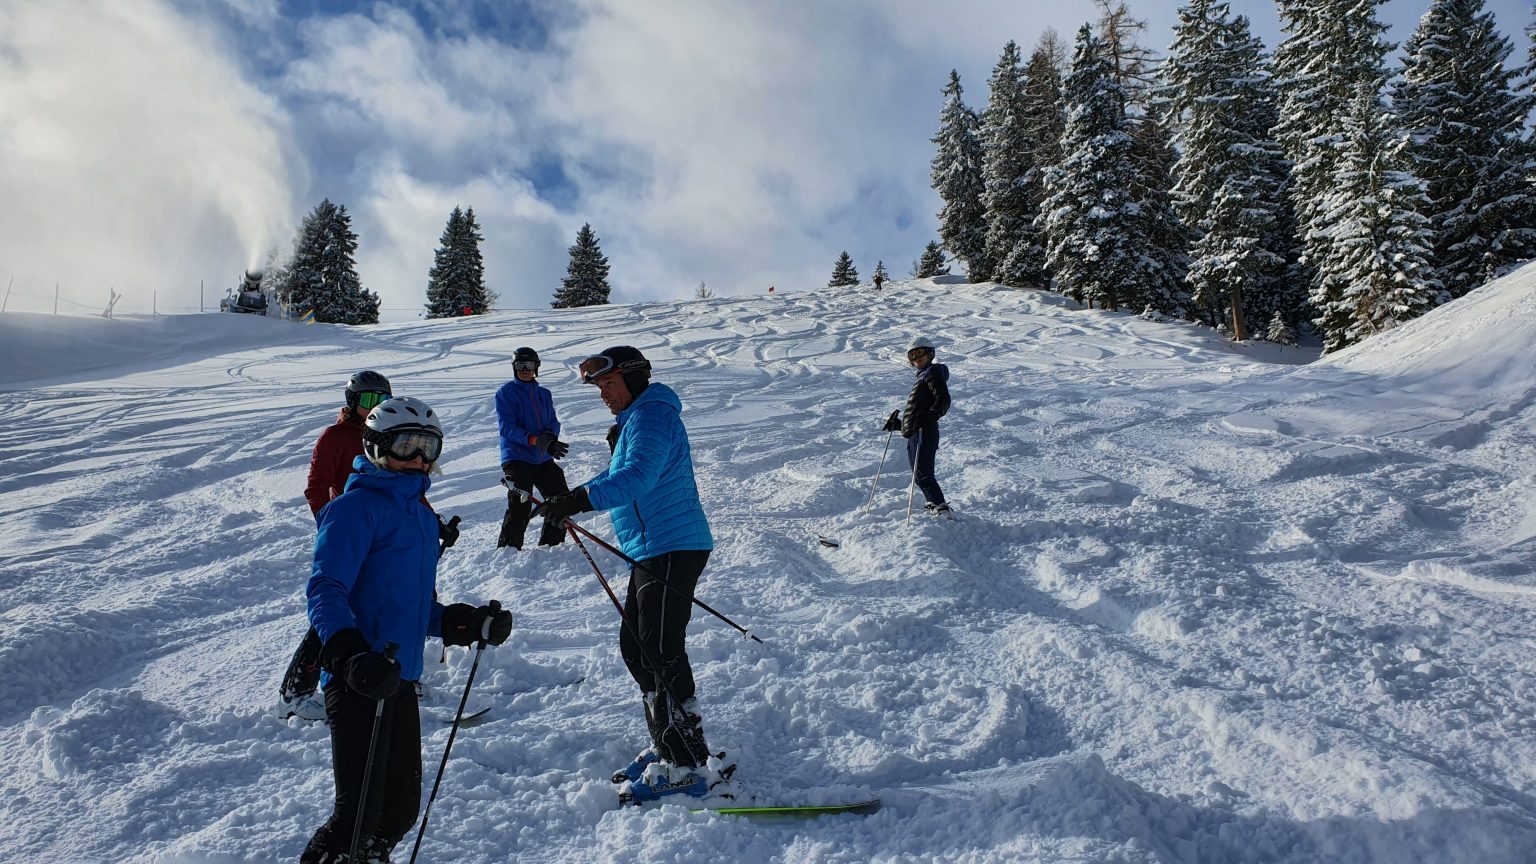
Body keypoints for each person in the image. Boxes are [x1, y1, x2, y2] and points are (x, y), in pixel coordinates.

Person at [301, 396, 511, 864]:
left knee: (398, 812)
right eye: (405, 446)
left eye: (428, 448)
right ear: (377, 446)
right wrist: (350, 653)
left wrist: (464, 622)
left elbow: (415, 606)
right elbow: (325, 588)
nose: (418, 459)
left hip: (399, 679)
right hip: (359, 681)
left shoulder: (419, 516)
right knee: (355, 816)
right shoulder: (355, 509)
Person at [537, 346, 727, 804]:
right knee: (637, 648)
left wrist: (575, 500)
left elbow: (638, 478)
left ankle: (685, 764)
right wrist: (575, 497)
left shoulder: (652, 415)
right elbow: (622, 474)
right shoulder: (635, 421)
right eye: (600, 388)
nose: (604, 394)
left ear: (635, 379)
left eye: (609, 384)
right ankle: (670, 741)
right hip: (650, 548)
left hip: (672, 544)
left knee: (660, 650)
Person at [278, 371, 393, 722]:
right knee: (336, 610)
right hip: (351, 535)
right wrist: (332, 526)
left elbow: (401, 482)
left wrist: (430, 520)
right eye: (370, 400)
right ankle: (295, 692)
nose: (377, 407)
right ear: (353, 402)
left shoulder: (387, 435)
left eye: (383, 400)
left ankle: (391, 678)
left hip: (384, 533)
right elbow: (316, 486)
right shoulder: (335, 437)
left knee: (391, 601)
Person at [495, 347, 571, 550]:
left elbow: (553, 421)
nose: (525, 369)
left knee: (561, 499)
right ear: (514, 368)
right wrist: (535, 440)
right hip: (517, 457)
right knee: (521, 503)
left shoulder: (544, 394)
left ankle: (552, 546)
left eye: (530, 365)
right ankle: (508, 550)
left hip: (542, 458)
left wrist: (550, 439)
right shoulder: (506, 393)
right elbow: (507, 428)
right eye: (520, 365)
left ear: (537, 367)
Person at [882, 336, 951, 514]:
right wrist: (899, 425)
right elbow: (918, 412)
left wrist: (932, 416)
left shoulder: (932, 372)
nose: (915, 358)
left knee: (923, 475)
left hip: (924, 432)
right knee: (920, 476)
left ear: (930, 353)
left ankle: (940, 509)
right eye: (911, 355)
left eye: (919, 352)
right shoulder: (922, 376)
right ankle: (935, 505)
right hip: (916, 432)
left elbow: (943, 398)